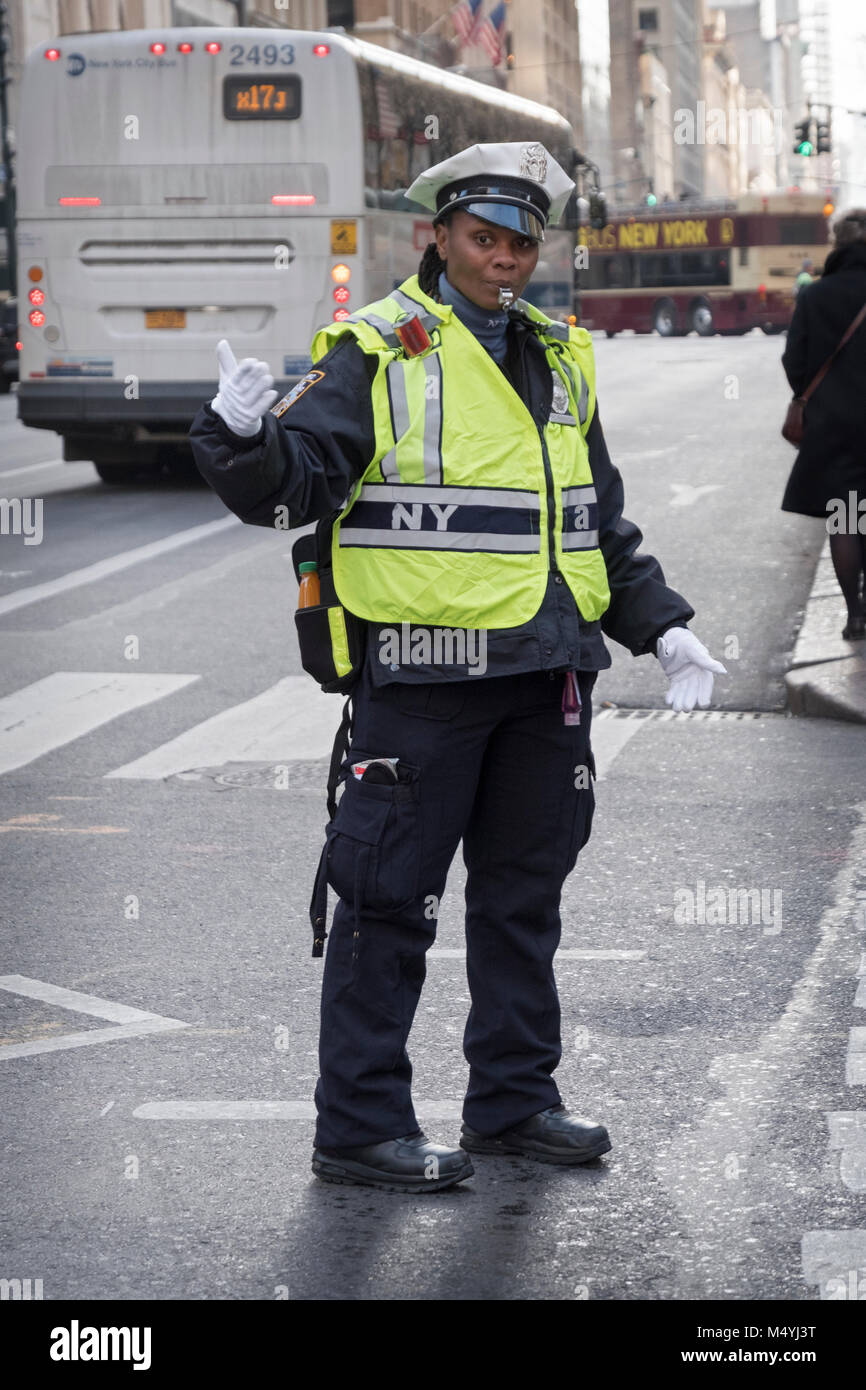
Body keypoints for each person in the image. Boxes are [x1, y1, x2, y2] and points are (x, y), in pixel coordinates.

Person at [189, 142, 726, 1194]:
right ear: (438, 236)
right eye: (484, 239)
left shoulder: (560, 356)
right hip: (424, 686)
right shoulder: (377, 347)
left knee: (523, 901)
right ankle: (356, 1126)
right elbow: (299, 486)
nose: (505, 261)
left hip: (542, 678)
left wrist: (657, 623)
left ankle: (513, 1103)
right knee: (387, 901)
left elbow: (589, 520)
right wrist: (240, 439)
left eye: (521, 243)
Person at [782, 208, 866, 641]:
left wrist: (811, 396)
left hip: (834, 428)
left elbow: (793, 359)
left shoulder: (815, 295)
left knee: (847, 521)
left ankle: (855, 615)